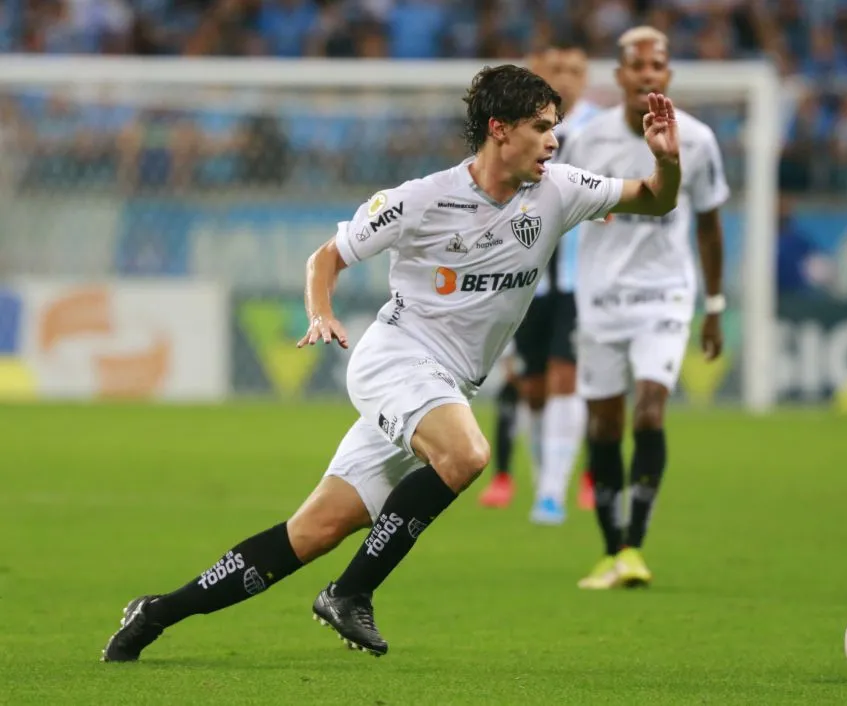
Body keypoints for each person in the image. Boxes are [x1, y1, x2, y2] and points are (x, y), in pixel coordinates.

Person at [101, 64, 682, 661]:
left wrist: (665, 160)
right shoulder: (421, 199)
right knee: (467, 454)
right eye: (540, 127)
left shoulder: (561, 190)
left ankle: (156, 613)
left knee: (312, 532)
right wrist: (320, 312)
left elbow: (656, 200)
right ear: (498, 129)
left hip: (445, 386)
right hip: (395, 359)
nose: (554, 140)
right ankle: (350, 593)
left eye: (555, 126)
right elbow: (325, 258)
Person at [564, 27, 728, 590]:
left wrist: (715, 303)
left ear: (668, 75)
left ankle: (634, 544)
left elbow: (708, 223)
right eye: (636, 65)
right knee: (604, 423)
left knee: (651, 410)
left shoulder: (699, 139)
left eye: (657, 65)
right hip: (601, 296)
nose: (647, 74)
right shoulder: (585, 141)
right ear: (620, 76)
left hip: (665, 294)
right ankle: (611, 550)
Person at [478, 34, 601, 522]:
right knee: (530, 387)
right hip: (523, 277)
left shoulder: (600, 131)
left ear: (586, 78)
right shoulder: (516, 131)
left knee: (565, 378)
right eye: (555, 68)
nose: (565, 76)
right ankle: (541, 478)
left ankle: (552, 493)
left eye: (574, 68)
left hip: (576, 280)